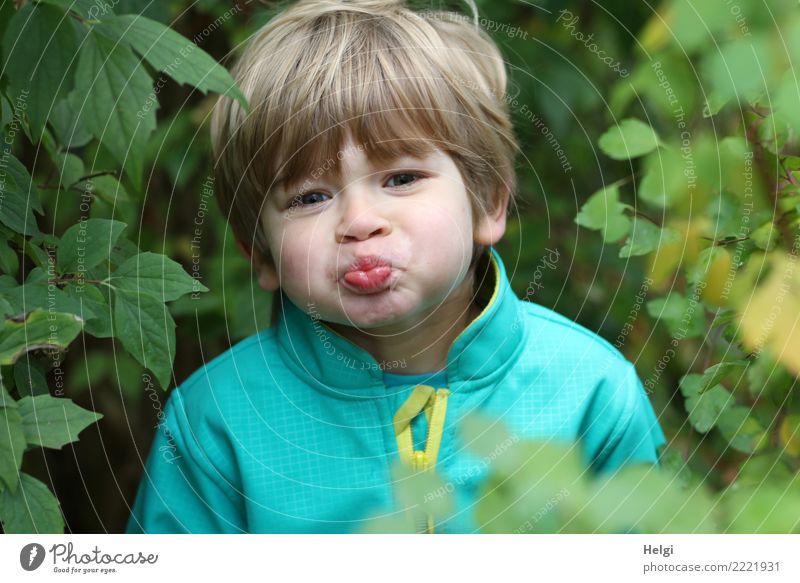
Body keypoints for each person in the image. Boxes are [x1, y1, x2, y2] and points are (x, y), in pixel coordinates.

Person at [126, 0, 666, 534]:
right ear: (260, 253)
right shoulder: (216, 422)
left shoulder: (588, 390)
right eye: (311, 196)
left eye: (401, 178)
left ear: (488, 202)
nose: (360, 222)